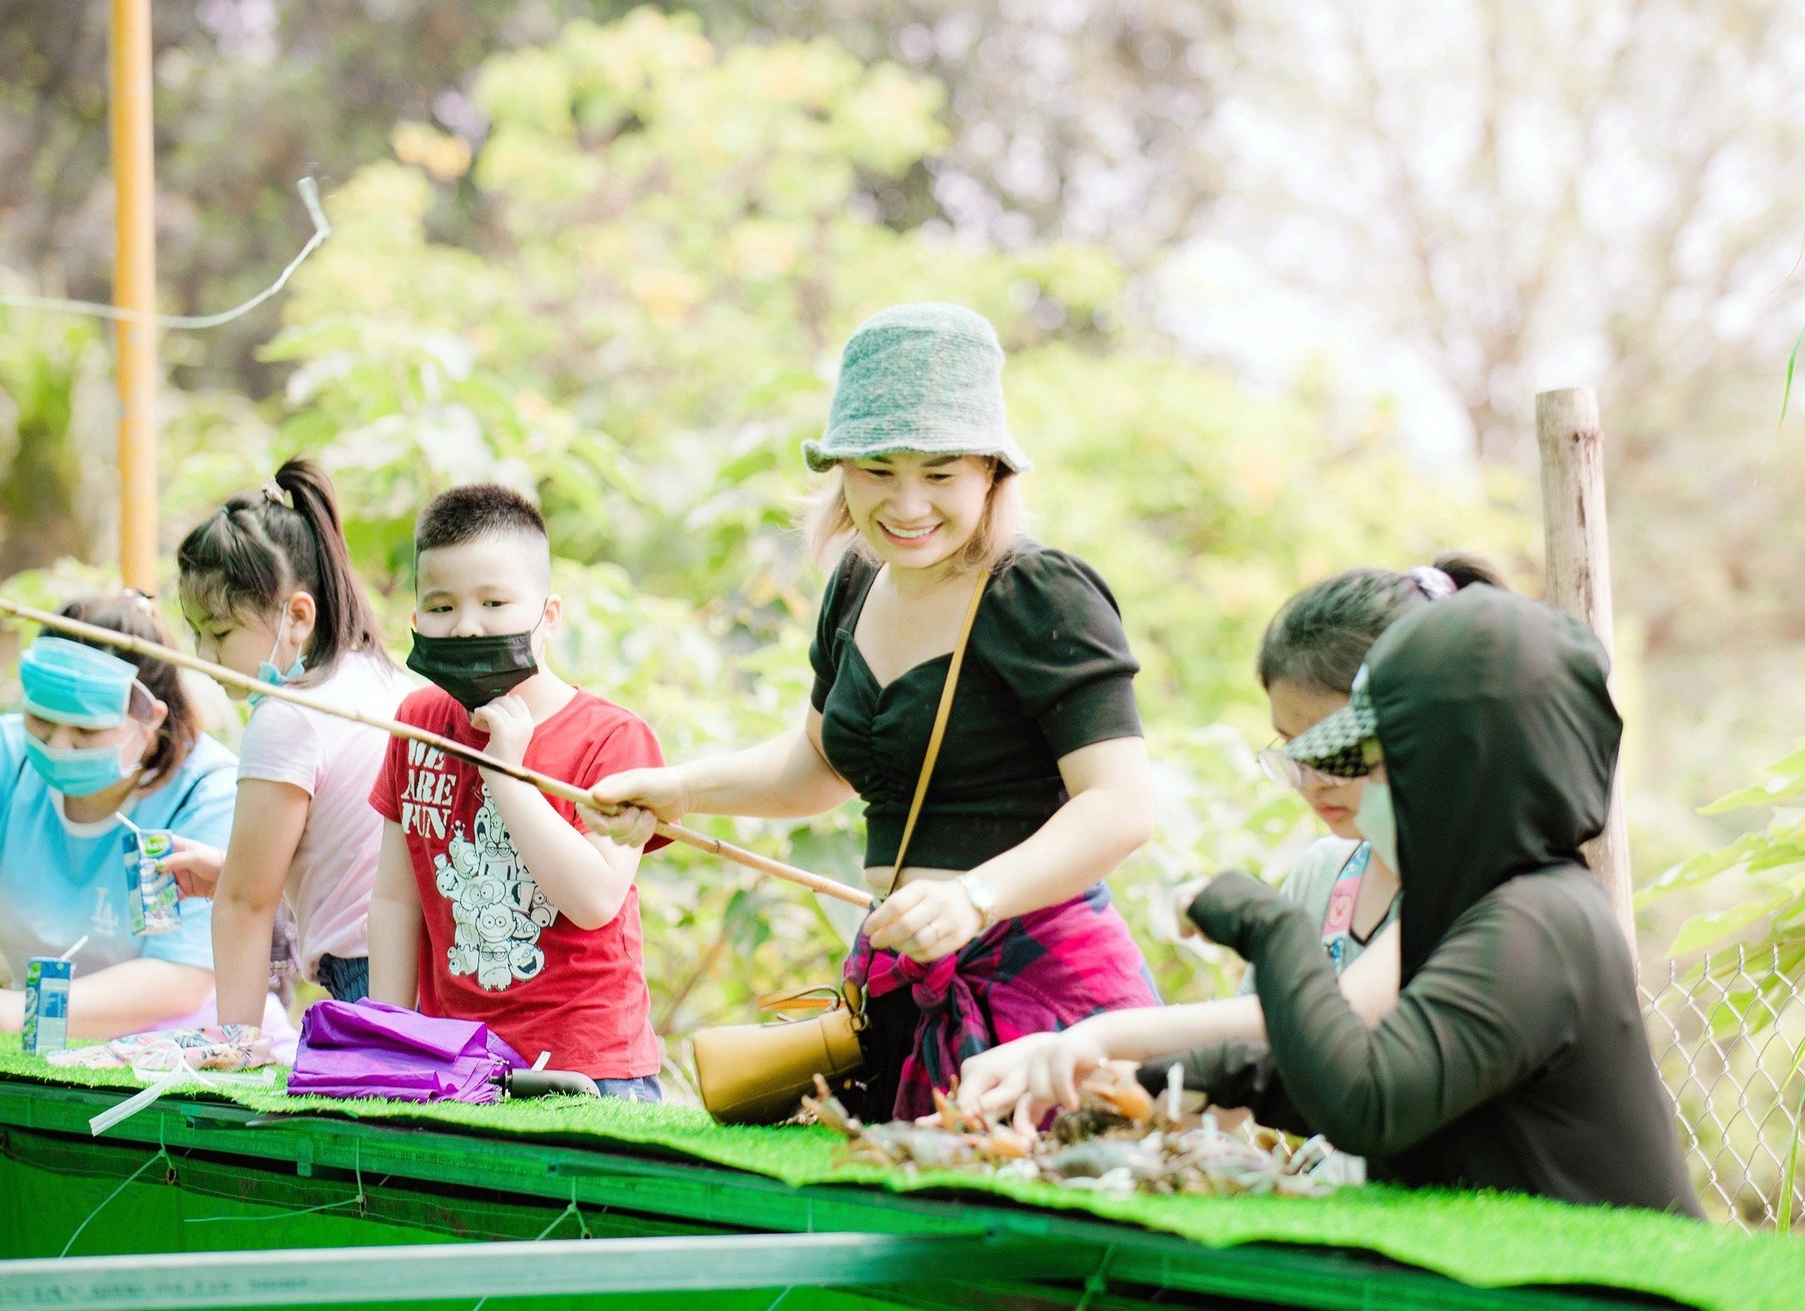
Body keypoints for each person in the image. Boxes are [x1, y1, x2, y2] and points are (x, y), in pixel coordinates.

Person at [588, 302, 1161, 1121]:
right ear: (842, 472)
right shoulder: (856, 583)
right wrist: (681, 788)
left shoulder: (1041, 593)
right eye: (878, 470)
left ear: (992, 472)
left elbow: (1122, 804)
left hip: (1043, 987)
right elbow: (819, 766)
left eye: (939, 473)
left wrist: (975, 898)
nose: (907, 503)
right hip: (899, 980)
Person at [1141, 587, 1704, 1215]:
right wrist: (1173, 1079)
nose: (1343, 780)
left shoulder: (1538, 921)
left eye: (1382, 755)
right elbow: (1379, 1073)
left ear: (1459, 764)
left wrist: (1267, 926)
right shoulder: (1473, 903)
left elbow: (1370, 1101)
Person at [958, 556, 1504, 1121]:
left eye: (1335, 746)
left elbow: (1333, 1017)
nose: (1314, 780)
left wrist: (1101, 1035)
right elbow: (1239, 1070)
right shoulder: (1327, 873)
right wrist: (1077, 1083)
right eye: (1295, 750)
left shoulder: (1481, 886)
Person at [0, 594, 286, 1038]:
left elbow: (181, 979)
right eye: (40, 721)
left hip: (185, 1054)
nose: (57, 747)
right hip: (45, 1047)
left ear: (149, 719)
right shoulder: (5, 756)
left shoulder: (208, 791)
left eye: (85, 731)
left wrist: (24, 1010)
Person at [366, 484, 668, 1099]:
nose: (467, 627)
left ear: (547, 616)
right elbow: (397, 902)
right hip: (456, 1065)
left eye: (495, 602)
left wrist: (506, 773)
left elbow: (593, 899)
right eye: (443, 608)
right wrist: (389, 1042)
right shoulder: (417, 723)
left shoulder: (613, 739)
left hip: (590, 1072)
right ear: (417, 620)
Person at [167, 457, 414, 1019]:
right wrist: (236, 866)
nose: (205, 658)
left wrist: (236, 1046)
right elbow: (349, 857)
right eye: (197, 634)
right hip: (428, 973)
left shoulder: (288, 714)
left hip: (369, 977)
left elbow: (243, 905)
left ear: (298, 616)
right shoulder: (386, 680)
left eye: (221, 632)